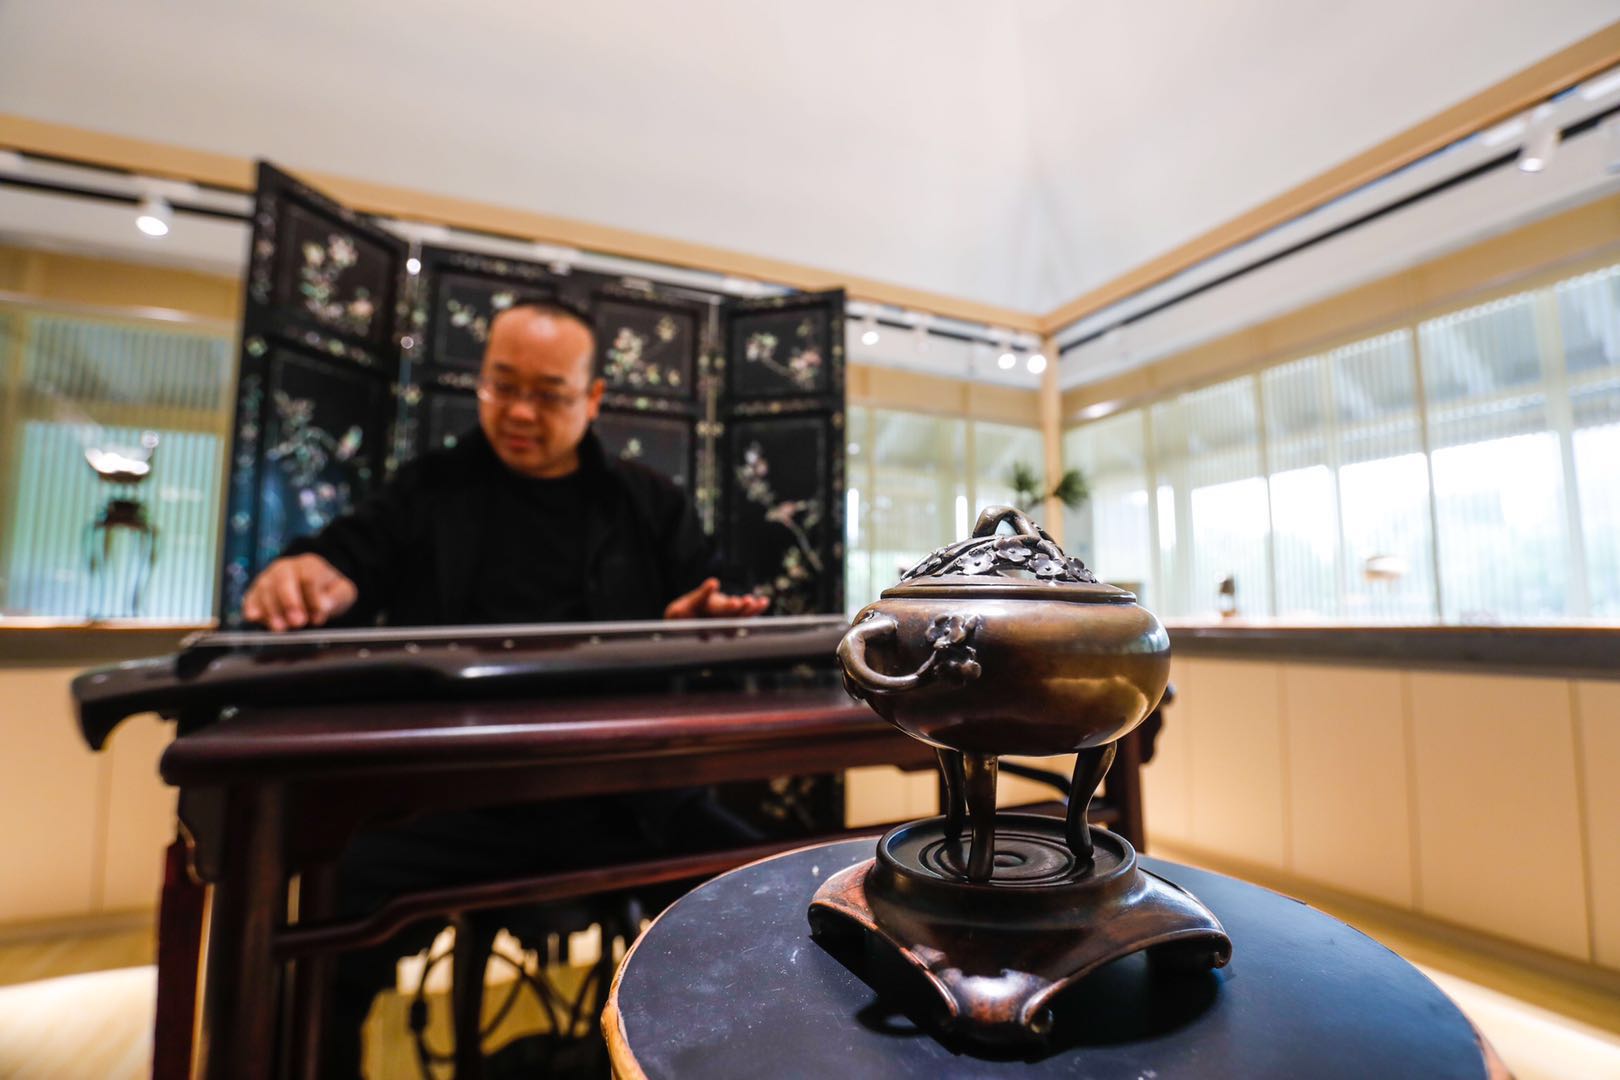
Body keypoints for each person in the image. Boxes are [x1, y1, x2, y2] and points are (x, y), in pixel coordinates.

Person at [239, 299, 767, 1077]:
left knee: (762, 897)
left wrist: (702, 618)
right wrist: (313, 572)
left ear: (593, 399)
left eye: (548, 394)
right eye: (502, 386)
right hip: (454, 792)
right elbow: (349, 555)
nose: (519, 412)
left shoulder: (648, 502)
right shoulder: (429, 488)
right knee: (324, 930)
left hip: (624, 790)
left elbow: (719, 592)